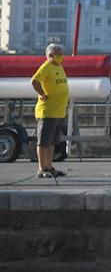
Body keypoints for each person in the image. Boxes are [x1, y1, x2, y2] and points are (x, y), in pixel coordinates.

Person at [30, 42, 69, 179]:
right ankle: (42, 168)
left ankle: (49, 166)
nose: (61, 57)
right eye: (58, 54)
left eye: (61, 54)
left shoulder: (59, 67)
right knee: (44, 142)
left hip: (58, 112)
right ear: (50, 55)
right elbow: (34, 81)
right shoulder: (46, 67)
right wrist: (42, 94)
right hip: (47, 112)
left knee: (52, 142)